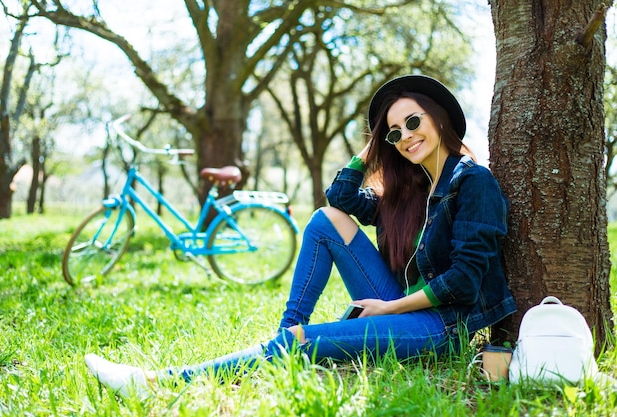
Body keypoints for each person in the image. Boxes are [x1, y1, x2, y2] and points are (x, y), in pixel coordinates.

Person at [85, 74, 517, 399]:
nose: (406, 136)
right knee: (323, 219)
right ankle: (285, 339)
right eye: (394, 132)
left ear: (438, 117)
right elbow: (340, 196)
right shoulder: (411, 191)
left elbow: (464, 281)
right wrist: (375, 149)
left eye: (413, 122)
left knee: (303, 340)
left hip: (441, 326)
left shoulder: (472, 182)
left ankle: (156, 384)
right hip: (402, 307)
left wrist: (389, 306)